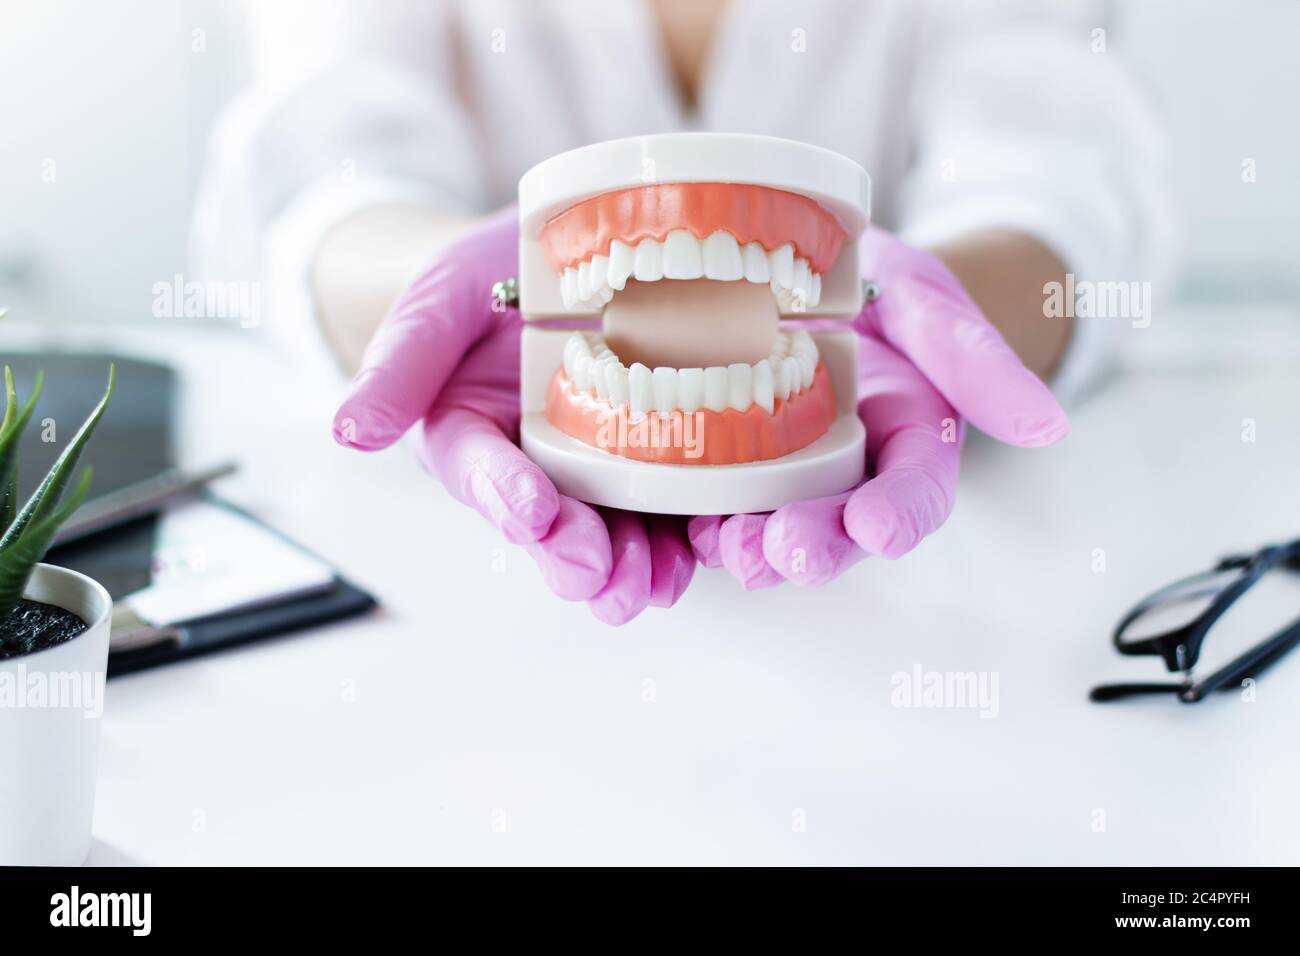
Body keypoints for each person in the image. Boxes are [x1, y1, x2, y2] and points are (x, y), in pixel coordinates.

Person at [193, 0, 1168, 624]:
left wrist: (934, 309)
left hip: (913, 615)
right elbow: (322, 164)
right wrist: (446, 295)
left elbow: (1056, 176)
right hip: (464, 623)